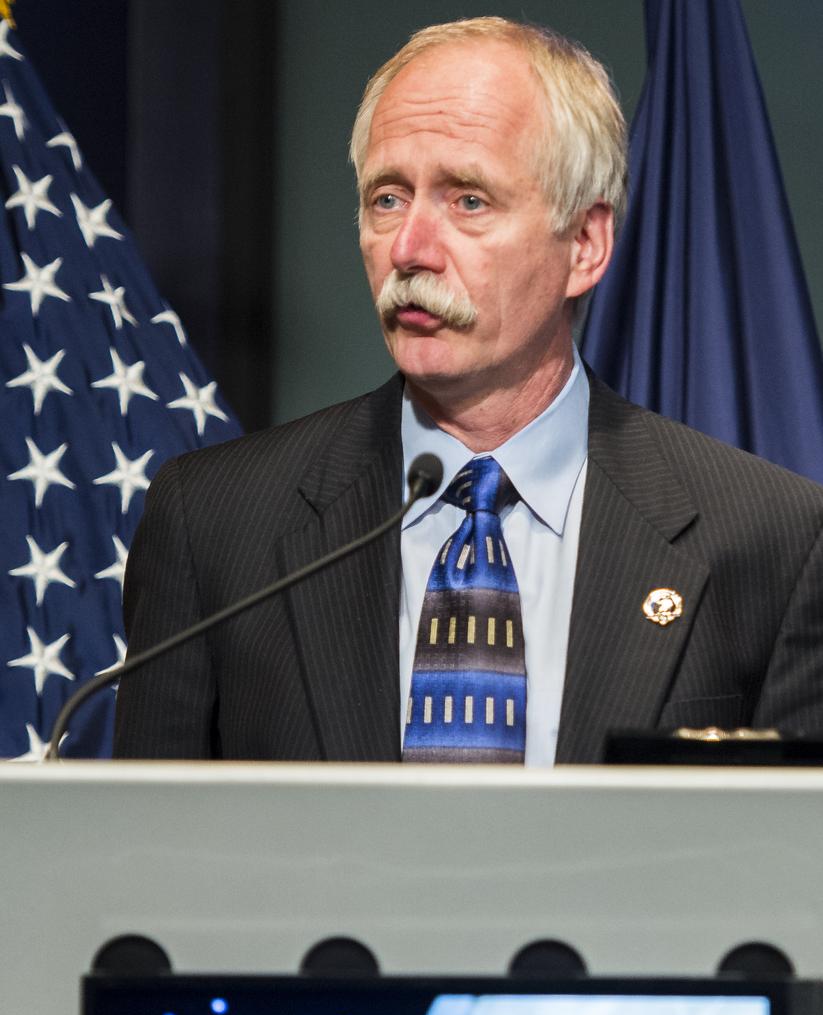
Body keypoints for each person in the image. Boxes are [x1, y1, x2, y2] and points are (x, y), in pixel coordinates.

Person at [114, 17, 823, 764]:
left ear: (584, 245)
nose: (409, 250)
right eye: (386, 198)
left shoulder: (769, 541)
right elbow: (142, 856)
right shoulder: (216, 526)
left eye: (468, 201)